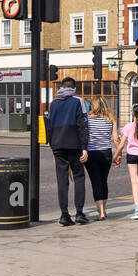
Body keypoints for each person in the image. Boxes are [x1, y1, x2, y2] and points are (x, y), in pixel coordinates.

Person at [46, 77, 90, 226]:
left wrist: (53, 148)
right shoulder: (78, 101)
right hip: (75, 145)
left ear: (61, 88)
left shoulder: (53, 103)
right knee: (79, 177)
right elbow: (83, 124)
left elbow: (49, 126)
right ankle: (79, 213)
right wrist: (85, 147)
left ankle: (64, 215)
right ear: (74, 89)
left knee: (62, 180)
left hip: (58, 146)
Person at [84, 97, 117, 220]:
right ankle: (104, 209)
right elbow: (115, 139)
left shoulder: (87, 119)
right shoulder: (111, 119)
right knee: (103, 181)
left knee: (95, 181)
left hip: (91, 153)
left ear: (92, 106)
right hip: (106, 153)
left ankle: (101, 212)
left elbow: (83, 136)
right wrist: (118, 154)